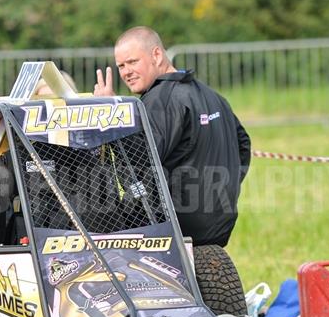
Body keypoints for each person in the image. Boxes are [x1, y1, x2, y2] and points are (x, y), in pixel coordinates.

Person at [94, 26, 251, 247]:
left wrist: (111, 113)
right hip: (219, 223)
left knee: (95, 210)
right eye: (121, 66)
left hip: (173, 226)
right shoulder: (212, 95)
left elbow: (139, 161)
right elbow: (243, 146)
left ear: (157, 55)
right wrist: (223, 189)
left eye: (132, 62)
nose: (126, 72)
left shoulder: (160, 99)